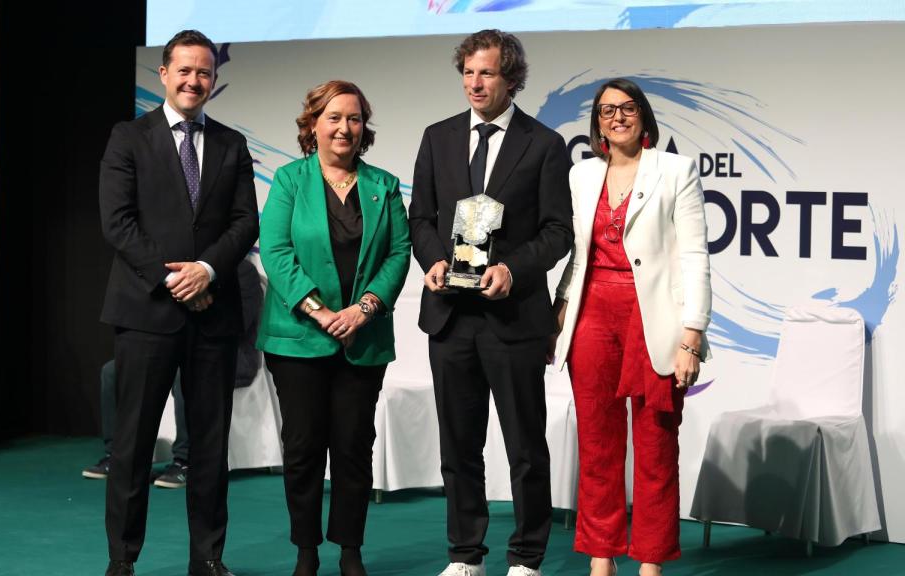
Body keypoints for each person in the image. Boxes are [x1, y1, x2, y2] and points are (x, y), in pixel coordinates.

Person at [408, 30, 573, 576]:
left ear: (512, 79)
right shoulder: (437, 137)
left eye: (487, 74)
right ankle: (465, 555)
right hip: (451, 316)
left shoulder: (544, 144)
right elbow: (421, 218)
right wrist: (431, 259)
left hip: (513, 317)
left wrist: (513, 269)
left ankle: (526, 557)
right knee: (459, 447)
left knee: (525, 447)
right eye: (468, 73)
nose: (475, 83)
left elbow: (556, 232)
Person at [98, 28, 259, 576]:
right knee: (133, 444)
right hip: (146, 312)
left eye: (205, 72)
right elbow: (118, 223)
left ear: (215, 79)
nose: (195, 80)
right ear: (164, 74)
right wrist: (174, 279)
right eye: (185, 70)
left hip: (214, 313)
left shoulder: (234, 145)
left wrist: (207, 270)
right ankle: (122, 559)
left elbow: (245, 223)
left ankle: (208, 558)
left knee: (210, 448)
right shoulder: (129, 137)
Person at [550, 78, 711, 576]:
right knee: (597, 446)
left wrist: (692, 335)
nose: (616, 117)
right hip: (592, 316)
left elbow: (694, 257)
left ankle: (650, 561)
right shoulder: (581, 175)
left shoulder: (675, 170)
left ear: (643, 115)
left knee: (657, 445)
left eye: (626, 108)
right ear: (595, 124)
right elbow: (578, 254)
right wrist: (560, 308)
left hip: (655, 322)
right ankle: (603, 555)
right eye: (604, 111)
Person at [257, 80, 410, 576]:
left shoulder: (384, 185)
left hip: (361, 339)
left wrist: (363, 310)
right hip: (297, 338)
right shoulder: (288, 180)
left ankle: (349, 549)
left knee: (352, 448)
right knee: (302, 448)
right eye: (334, 117)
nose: (345, 127)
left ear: (364, 128)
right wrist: (322, 312)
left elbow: (398, 253)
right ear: (313, 125)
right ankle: (306, 550)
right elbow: (275, 251)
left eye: (354, 118)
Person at [84, 258, 264, 489]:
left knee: (186, 372)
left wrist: (199, 300)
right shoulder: (175, 271)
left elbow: (239, 322)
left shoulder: (240, 271)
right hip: (173, 345)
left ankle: (185, 461)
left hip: (228, 353)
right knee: (112, 370)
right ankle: (118, 456)